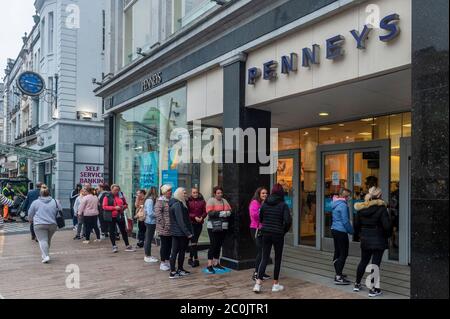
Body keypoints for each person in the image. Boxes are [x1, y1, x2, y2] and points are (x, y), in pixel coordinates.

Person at [353, 187, 392, 297]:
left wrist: (359, 235)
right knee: (375, 264)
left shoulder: (361, 208)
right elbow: (387, 226)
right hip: (379, 239)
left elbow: (356, 225)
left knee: (363, 261)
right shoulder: (382, 209)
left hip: (365, 238)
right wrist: (388, 235)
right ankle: (373, 289)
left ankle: (357, 284)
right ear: (379, 196)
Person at [253, 184, 292, 293]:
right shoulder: (283, 205)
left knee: (264, 257)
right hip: (278, 234)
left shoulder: (265, 203)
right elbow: (288, 221)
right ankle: (275, 284)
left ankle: (258, 283)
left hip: (266, 233)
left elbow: (260, 218)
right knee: (278, 258)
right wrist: (283, 230)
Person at [27, 185, 60, 264]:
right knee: (47, 240)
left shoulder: (35, 202)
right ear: (49, 193)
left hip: (39, 224)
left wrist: (30, 220)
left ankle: (45, 256)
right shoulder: (55, 201)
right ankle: (45, 254)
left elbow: (30, 214)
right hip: (52, 224)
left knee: (42, 240)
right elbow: (60, 210)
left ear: (40, 194)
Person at [205, 186, 232, 274]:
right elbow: (209, 212)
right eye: (218, 193)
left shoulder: (224, 201)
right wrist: (222, 213)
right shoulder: (211, 200)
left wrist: (225, 213)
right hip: (212, 226)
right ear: (214, 194)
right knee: (213, 244)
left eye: (221, 193)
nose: (220, 194)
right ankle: (209, 265)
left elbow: (229, 211)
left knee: (219, 244)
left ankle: (216, 263)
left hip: (223, 226)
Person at [168, 188, 193, 279]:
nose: (186, 194)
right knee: (177, 252)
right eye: (184, 193)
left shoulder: (178, 203)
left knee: (177, 251)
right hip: (180, 233)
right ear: (179, 194)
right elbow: (181, 221)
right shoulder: (177, 204)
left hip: (177, 232)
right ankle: (174, 271)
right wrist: (188, 233)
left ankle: (179, 270)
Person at [102, 184, 135, 253]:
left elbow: (126, 204)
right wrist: (114, 208)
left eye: (118, 190)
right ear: (111, 189)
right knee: (112, 231)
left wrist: (123, 206)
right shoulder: (107, 196)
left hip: (120, 215)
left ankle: (127, 245)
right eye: (115, 190)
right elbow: (104, 207)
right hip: (111, 216)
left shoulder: (121, 195)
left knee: (123, 230)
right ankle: (114, 246)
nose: (116, 191)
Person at [331, 188, 353, 285]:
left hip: (334, 229)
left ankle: (338, 273)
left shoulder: (335, 203)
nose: (350, 198)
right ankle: (338, 277)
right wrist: (351, 231)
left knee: (337, 252)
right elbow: (345, 221)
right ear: (345, 197)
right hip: (341, 231)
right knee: (344, 253)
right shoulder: (343, 206)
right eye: (349, 196)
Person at [249, 187, 270, 281]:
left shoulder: (265, 203)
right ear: (259, 194)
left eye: (266, 193)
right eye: (263, 193)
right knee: (261, 251)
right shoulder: (254, 202)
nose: (265, 195)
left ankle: (261, 272)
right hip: (256, 229)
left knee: (264, 251)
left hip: (264, 229)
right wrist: (263, 211)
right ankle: (256, 273)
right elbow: (254, 216)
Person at [154, 185, 173, 271]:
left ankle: (167, 260)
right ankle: (162, 262)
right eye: (168, 191)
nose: (170, 192)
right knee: (164, 245)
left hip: (170, 228)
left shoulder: (170, 201)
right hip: (164, 228)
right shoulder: (160, 201)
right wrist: (164, 225)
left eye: (171, 190)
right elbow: (158, 214)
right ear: (164, 192)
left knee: (169, 245)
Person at [187, 187, 207, 268]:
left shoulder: (202, 201)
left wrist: (202, 217)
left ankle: (190, 258)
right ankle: (196, 259)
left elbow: (205, 211)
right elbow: (187, 212)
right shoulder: (188, 201)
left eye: (196, 192)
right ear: (191, 193)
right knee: (193, 241)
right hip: (191, 223)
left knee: (195, 241)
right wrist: (194, 216)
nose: (195, 194)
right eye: (194, 192)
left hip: (199, 224)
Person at [144, 187, 158, 263]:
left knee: (148, 239)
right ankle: (147, 256)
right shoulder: (150, 200)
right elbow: (150, 213)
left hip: (149, 221)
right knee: (148, 239)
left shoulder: (149, 200)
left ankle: (148, 255)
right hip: (150, 222)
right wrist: (158, 214)